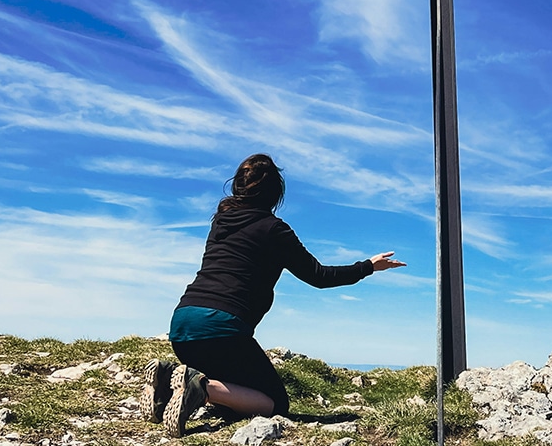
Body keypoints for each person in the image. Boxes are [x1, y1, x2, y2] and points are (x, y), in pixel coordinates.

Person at [139, 153, 405, 437]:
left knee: (233, 399)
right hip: (222, 328)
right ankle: (198, 386)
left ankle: (168, 381)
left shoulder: (220, 223)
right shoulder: (274, 229)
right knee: (274, 402)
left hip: (182, 325)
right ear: (276, 193)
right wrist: (367, 267)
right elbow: (319, 276)